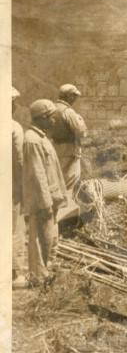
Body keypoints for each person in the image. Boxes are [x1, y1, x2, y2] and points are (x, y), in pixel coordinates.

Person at [23, 99, 68, 286]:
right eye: (51, 117)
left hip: (50, 196)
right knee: (40, 238)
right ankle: (39, 276)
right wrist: (45, 203)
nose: (54, 121)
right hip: (43, 200)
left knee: (49, 237)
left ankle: (45, 272)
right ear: (41, 118)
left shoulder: (41, 138)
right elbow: (38, 174)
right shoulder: (32, 140)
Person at [52, 84, 88, 191]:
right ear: (69, 96)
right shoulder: (68, 111)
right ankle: (67, 200)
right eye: (74, 96)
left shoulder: (52, 108)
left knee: (57, 178)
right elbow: (81, 132)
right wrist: (80, 120)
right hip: (69, 150)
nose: (75, 99)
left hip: (55, 147)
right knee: (71, 180)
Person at [11, 87, 27, 289]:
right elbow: (21, 160)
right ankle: (15, 273)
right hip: (10, 183)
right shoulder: (14, 127)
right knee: (14, 227)